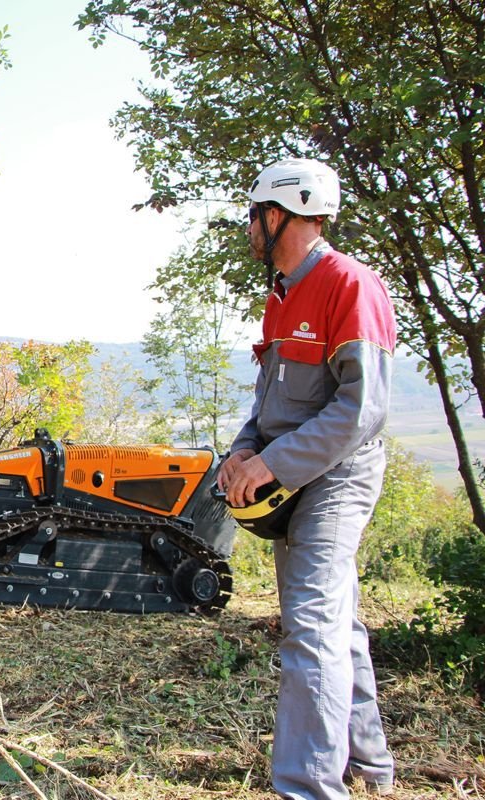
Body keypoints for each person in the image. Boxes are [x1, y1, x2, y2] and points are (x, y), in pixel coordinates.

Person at [217, 158, 397, 799]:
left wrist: (274, 464)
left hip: (338, 478)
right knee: (336, 625)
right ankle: (370, 768)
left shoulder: (351, 285)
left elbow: (361, 408)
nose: (248, 229)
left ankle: (307, 788)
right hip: (292, 479)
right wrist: (241, 455)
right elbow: (271, 404)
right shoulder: (282, 294)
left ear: (282, 215)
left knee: (312, 628)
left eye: (253, 216)